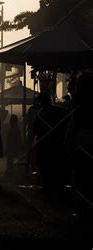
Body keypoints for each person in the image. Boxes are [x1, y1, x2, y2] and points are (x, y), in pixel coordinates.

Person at [68, 72, 93, 219]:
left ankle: (83, 206)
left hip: (81, 140)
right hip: (85, 139)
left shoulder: (78, 102)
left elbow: (74, 124)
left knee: (81, 174)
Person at [33, 92, 66, 191]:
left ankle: (50, 184)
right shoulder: (56, 111)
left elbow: (35, 129)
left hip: (50, 142)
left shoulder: (51, 112)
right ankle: (48, 184)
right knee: (47, 165)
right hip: (48, 142)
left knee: (49, 164)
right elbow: (35, 129)